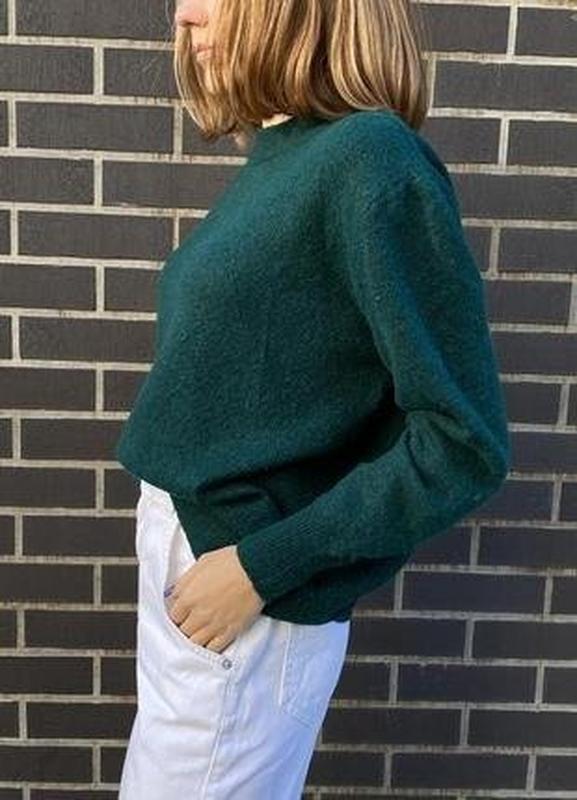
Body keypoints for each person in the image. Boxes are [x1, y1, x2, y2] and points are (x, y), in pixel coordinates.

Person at [116, 0, 511, 797]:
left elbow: (461, 443)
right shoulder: (285, 156)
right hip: (200, 564)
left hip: (246, 587)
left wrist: (261, 567)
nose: (184, 14)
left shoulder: (370, 160)